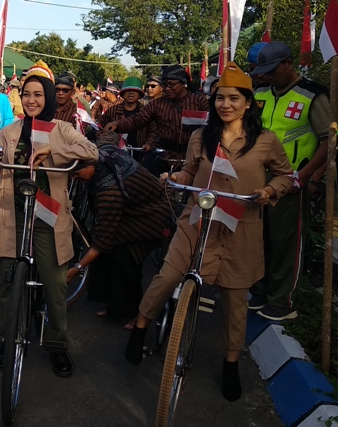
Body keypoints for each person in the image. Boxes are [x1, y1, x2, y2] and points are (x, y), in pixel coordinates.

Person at [123, 63, 293, 402]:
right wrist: (175, 180)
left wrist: (269, 192)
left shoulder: (265, 141)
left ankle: (230, 362)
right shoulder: (201, 136)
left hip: (242, 227)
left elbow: (286, 177)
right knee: (167, 275)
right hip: (197, 220)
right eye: (220, 98)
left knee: (234, 301)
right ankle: (141, 327)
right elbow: (189, 172)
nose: (225, 105)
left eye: (233, 98)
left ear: (248, 103)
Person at [0, 60, 99, 377]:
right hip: (13, 212)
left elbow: (92, 152)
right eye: (27, 94)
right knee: (8, 283)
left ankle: (57, 345)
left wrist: (56, 155)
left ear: (48, 97)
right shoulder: (10, 131)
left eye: (38, 94)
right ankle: (7, 340)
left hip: (48, 215)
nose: (32, 100)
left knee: (54, 284)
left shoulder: (62, 130)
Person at [248, 41, 331, 321]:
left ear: (289, 64)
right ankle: (259, 291)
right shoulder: (259, 93)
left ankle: (281, 301)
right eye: (264, 71)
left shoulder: (312, 95)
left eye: (273, 69)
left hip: (292, 179)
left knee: (285, 243)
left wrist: (307, 177)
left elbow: (328, 139)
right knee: (258, 239)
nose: (268, 75)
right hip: (257, 178)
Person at [68, 131, 167, 330]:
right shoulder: (103, 151)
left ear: (91, 165)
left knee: (125, 261)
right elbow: (108, 135)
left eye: (78, 174)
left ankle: (137, 313)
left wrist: (77, 268)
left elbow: (101, 241)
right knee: (107, 257)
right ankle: (115, 306)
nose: (75, 178)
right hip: (130, 211)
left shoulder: (108, 191)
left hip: (151, 218)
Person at [104, 65, 209, 176]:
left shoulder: (199, 101)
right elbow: (137, 120)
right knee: (142, 180)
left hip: (192, 157)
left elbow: (211, 126)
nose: (167, 88)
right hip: (163, 156)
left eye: (171, 85)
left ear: (183, 83)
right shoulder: (157, 104)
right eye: (164, 85)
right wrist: (118, 124)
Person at [101, 77, 152, 152]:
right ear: (123, 94)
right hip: (115, 153)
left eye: (134, 91)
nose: (131, 93)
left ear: (139, 95)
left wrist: (149, 143)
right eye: (127, 90)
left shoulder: (146, 112)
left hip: (140, 152)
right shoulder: (112, 110)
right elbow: (100, 127)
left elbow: (153, 131)